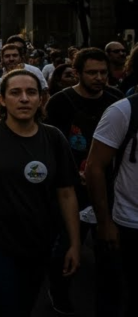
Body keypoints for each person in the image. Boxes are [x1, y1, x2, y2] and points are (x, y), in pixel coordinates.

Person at [0, 70, 80, 316]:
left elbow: (66, 193)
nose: (24, 99)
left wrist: (74, 244)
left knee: (24, 306)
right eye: (15, 92)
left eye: (31, 92)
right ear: (2, 99)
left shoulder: (54, 138)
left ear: (41, 99)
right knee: (5, 308)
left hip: (39, 242)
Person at [44, 47, 123, 313]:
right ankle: (59, 292)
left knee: (108, 248)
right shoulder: (60, 102)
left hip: (107, 186)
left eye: (103, 72)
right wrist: (70, 173)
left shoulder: (116, 100)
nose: (99, 78)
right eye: (92, 73)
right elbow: (51, 145)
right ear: (77, 73)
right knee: (65, 243)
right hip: (69, 187)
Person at [86, 93, 138, 316]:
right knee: (116, 297)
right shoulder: (123, 111)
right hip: (127, 223)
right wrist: (105, 222)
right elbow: (94, 167)